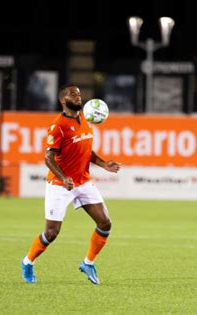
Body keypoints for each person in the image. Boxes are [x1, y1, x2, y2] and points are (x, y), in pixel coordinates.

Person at [21, 84, 121, 285]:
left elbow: (86, 150)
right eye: (72, 94)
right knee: (51, 233)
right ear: (62, 100)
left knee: (105, 223)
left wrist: (103, 164)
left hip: (83, 182)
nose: (77, 96)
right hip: (60, 184)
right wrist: (64, 177)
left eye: (79, 94)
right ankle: (28, 261)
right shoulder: (58, 126)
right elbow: (48, 158)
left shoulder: (86, 119)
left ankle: (88, 263)